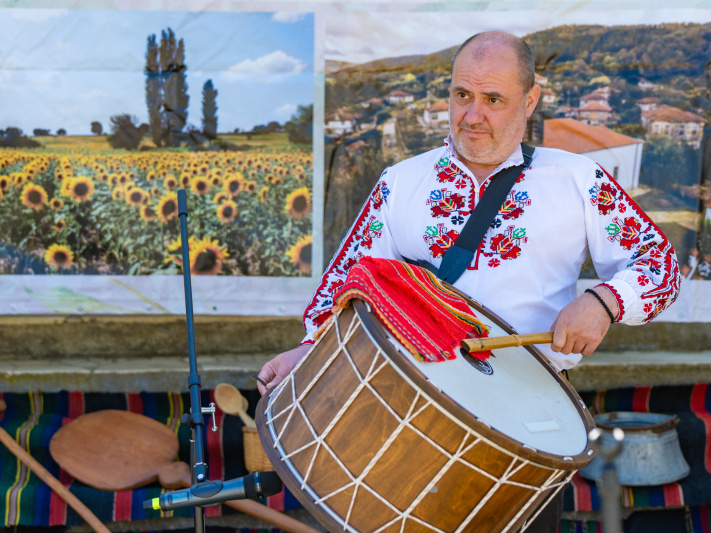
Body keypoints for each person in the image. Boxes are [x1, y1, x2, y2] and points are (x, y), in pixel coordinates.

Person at [259, 30, 680, 531]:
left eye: (493, 100)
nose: (472, 115)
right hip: (408, 405)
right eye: (462, 95)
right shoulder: (400, 183)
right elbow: (345, 288)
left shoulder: (577, 179)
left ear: (529, 101)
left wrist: (604, 301)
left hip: (531, 417)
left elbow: (659, 263)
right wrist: (309, 350)